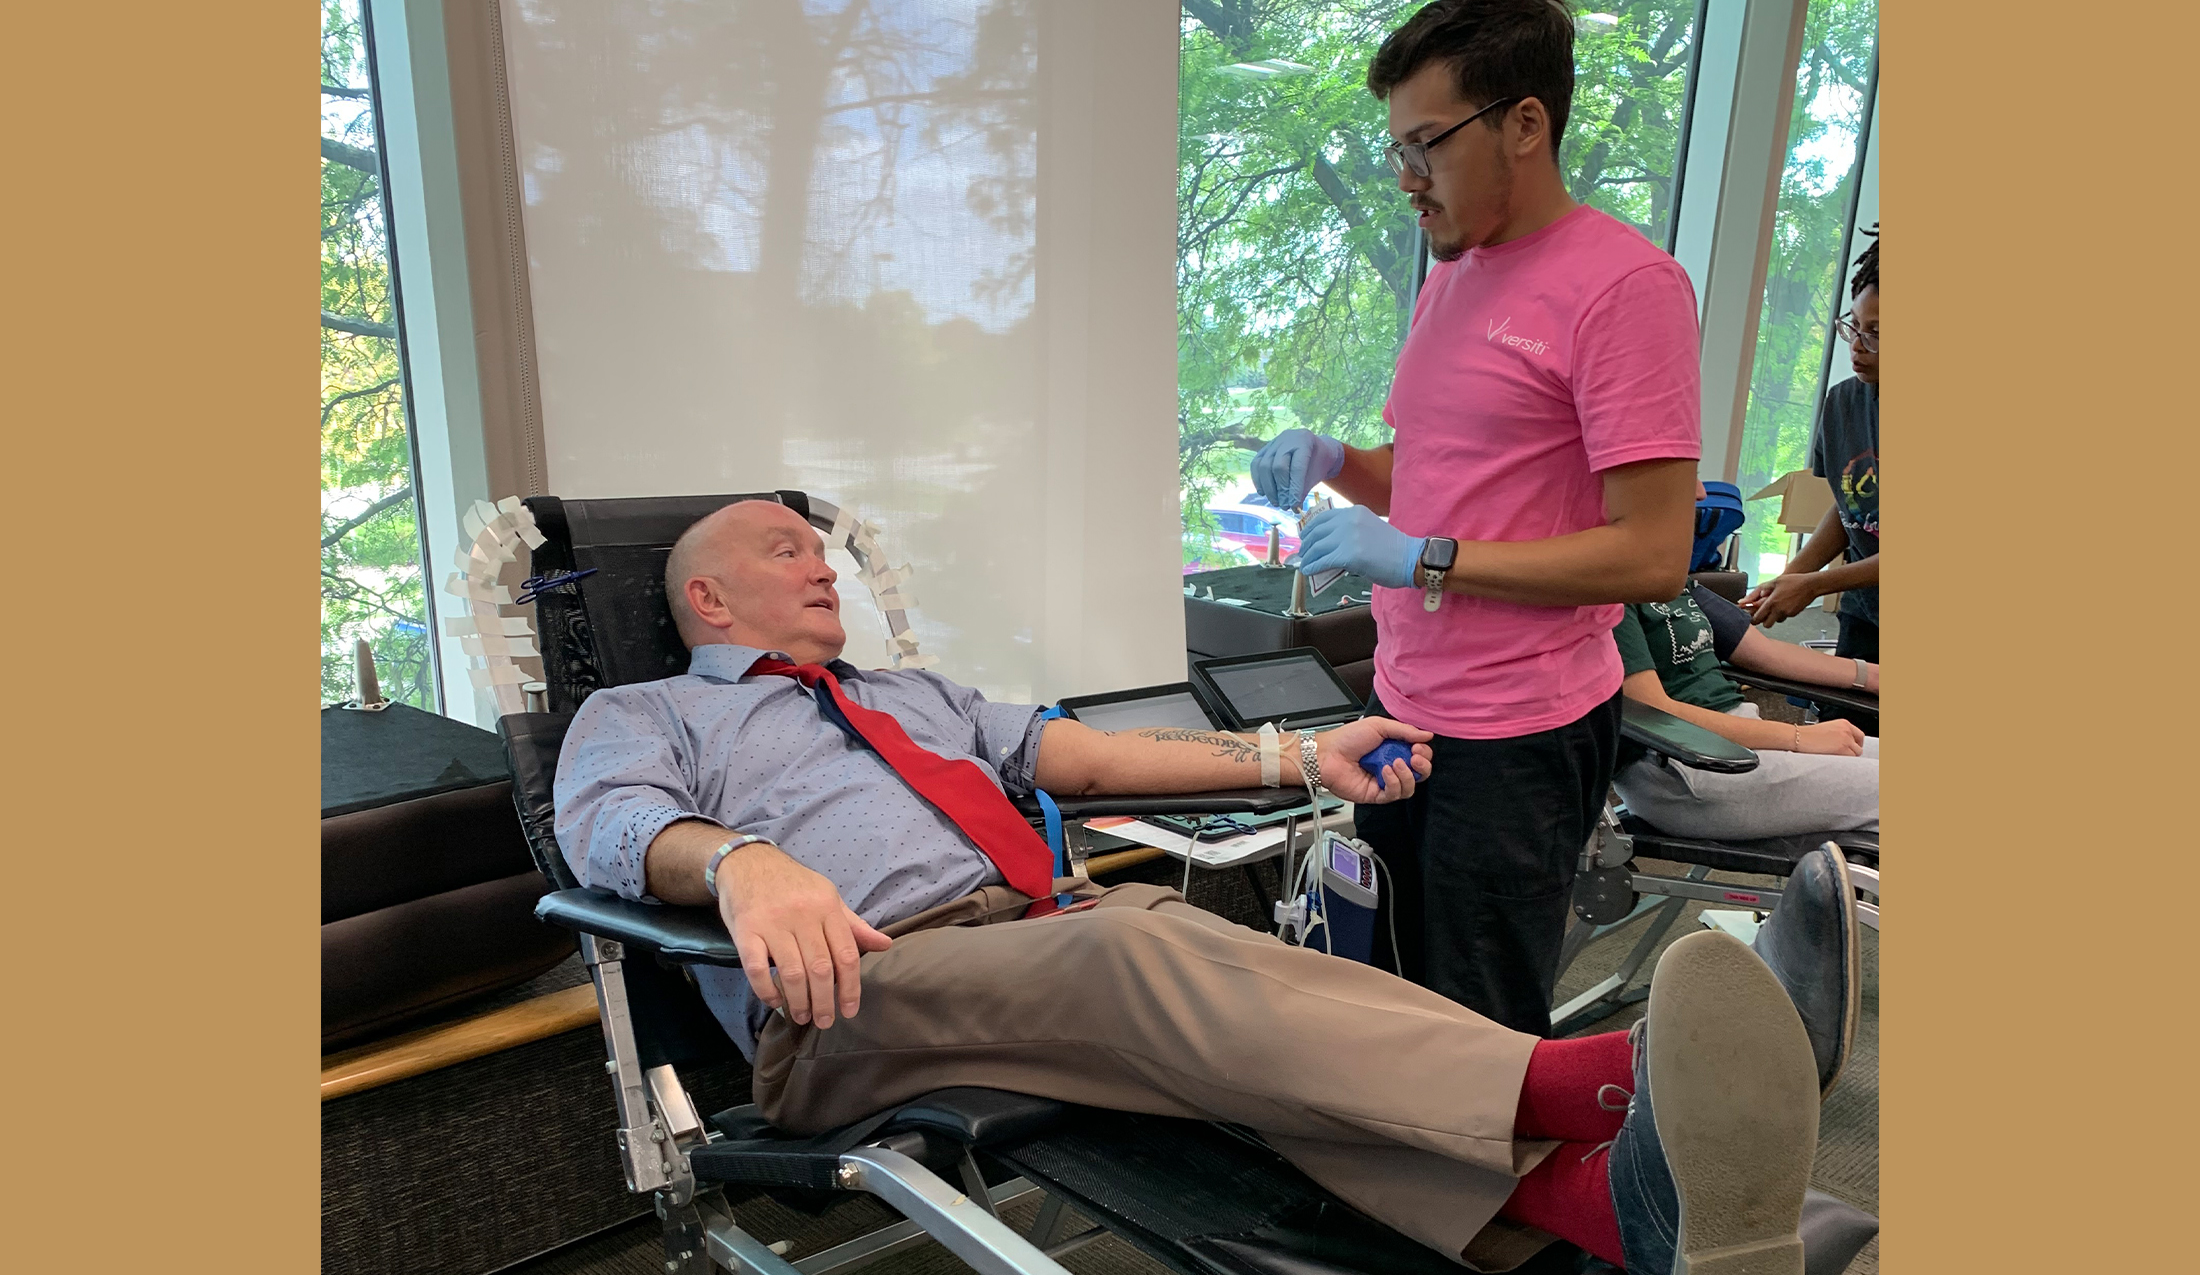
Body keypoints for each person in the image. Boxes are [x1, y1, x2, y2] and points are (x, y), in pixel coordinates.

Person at [556, 500, 1848, 1273]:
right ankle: (1625, 1074)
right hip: (846, 1001)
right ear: (710, 595)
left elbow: (1102, 754)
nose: (824, 565)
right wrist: (742, 861)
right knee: (1129, 953)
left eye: (825, 547)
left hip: (1030, 945)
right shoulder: (647, 710)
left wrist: (1297, 753)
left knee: (1253, 1009)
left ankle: (1628, 1210)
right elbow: (607, 824)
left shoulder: (917, 693)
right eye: (792, 550)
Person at [1251, 0, 1702, 1036]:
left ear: (1525, 124)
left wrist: (1427, 561)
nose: (1406, 178)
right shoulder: (1454, 272)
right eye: (1395, 149)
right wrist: (1332, 461)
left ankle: (1503, 1198)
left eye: (1427, 145)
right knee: (1389, 991)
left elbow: (1652, 555)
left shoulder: (1624, 289)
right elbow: (1426, 480)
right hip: (1407, 706)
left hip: (1520, 731)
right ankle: (1401, 1190)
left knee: (1479, 1029)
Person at [1614, 570, 1879, 842]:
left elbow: (1765, 652)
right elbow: (1655, 714)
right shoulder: (1610, 590)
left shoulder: (1672, 578)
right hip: (1685, 764)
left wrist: (1872, 676)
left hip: (1741, 737)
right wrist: (1798, 737)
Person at [1742, 227, 1880, 666]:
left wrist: (1817, 585)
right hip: (1867, 615)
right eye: (1854, 326)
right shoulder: (1844, 401)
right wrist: (1792, 576)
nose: (1857, 347)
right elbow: (1851, 510)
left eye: (1877, 333)